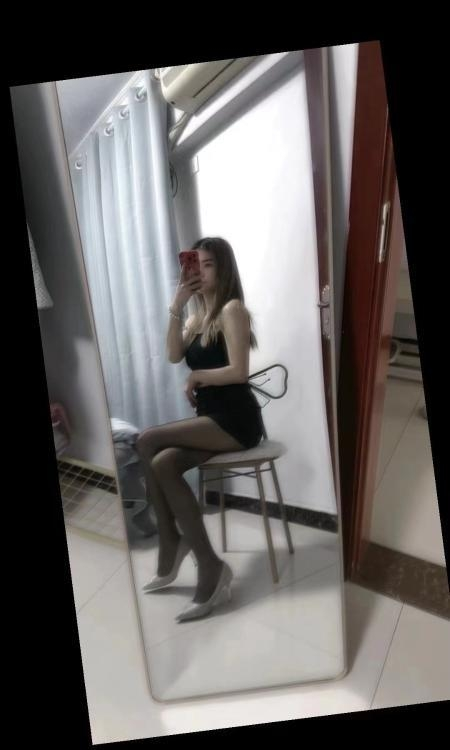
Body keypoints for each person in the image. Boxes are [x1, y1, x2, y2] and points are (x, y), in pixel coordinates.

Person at [136, 237, 264, 622]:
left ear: (223, 270)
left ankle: (172, 541)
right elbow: (173, 354)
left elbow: (239, 372)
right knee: (162, 463)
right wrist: (176, 306)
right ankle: (208, 563)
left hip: (235, 421)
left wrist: (197, 376)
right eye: (195, 265)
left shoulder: (232, 309)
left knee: (147, 440)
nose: (200, 272)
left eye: (208, 265)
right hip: (210, 420)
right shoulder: (194, 320)